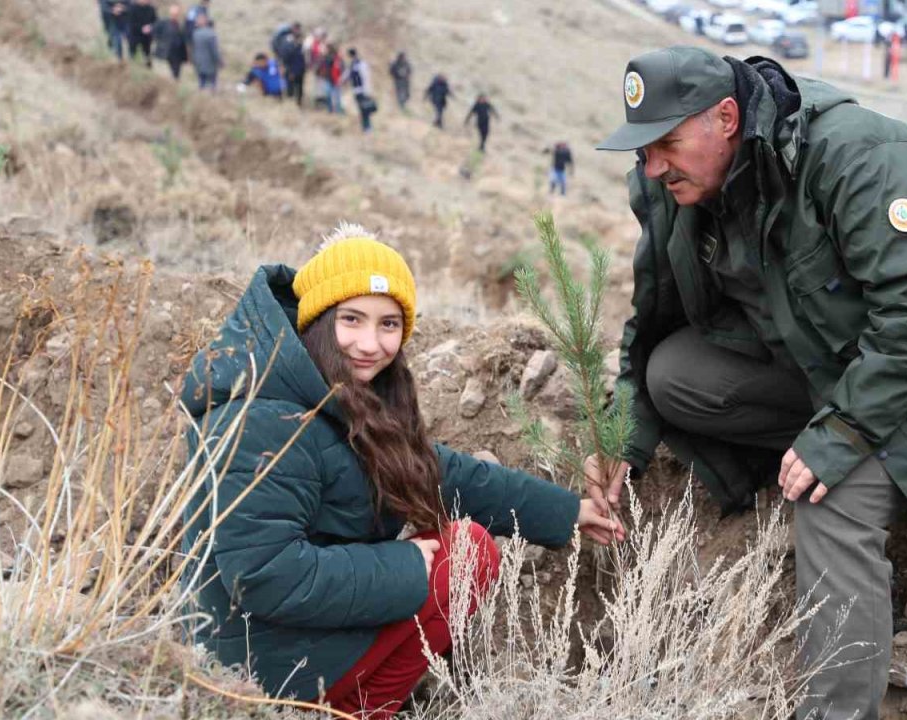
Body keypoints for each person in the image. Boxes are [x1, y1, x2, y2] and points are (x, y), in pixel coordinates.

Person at [591, 46, 907, 720]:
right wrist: (622, 439)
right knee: (673, 377)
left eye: (666, 143)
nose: (652, 165)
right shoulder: (674, 185)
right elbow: (654, 315)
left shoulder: (860, 156)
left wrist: (839, 434)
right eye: (642, 148)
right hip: (823, 369)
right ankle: (805, 449)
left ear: (726, 117)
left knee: (826, 502)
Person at [180, 225, 624, 719]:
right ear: (316, 318)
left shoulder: (333, 391)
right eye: (352, 319)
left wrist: (567, 512)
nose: (370, 344)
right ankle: (347, 710)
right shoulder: (264, 418)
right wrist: (406, 566)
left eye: (388, 325)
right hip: (249, 660)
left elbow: (440, 473)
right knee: (464, 556)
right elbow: (267, 576)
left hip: (287, 637)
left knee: (464, 544)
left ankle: (348, 708)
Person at [152, 4, 188, 79]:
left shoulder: (181, 24)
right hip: (167, 51)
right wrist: (160, 41)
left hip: (178, 52)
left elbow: (184, 38)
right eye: (173, 14)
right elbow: (155, 31)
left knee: (176, 72)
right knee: (168, 71)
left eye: (176, 14)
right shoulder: (163, 23)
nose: (175, 16)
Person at [347, 48, 377, 133]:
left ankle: (368, 127)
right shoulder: (352, 65)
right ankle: (365, 127)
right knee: (361, 109)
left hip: (362, 90)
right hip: (356, 90)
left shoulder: (361, 64)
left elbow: (366, 77)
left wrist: (367, 90)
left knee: (365, 109)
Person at [190, 13, 221, 91]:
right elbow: (214, 51)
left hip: (199, 64)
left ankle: (201, 99)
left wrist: (193, 61)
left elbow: (193, 49)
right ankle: (211, 100)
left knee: (201, 84)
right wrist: (219, 61)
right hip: (210, 64)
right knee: (212, 85)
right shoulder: (211, 34)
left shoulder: (195, 34)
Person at [316, 43, 345, 113]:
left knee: (331, 95)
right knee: (335, 95)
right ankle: (336, 110)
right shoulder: (335, 57)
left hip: (331, 78)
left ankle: (333, 109)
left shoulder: (330, 58)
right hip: (332, 78)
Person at [126, 0, 156, 66]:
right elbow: (131, 23)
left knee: (147, 55)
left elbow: (155, 21)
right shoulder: (132, 8)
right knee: (133, 54)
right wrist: (141, 28)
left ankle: (148, 70)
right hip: (135, 35)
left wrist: (150, 27)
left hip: (147, 37)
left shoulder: (151, 8)